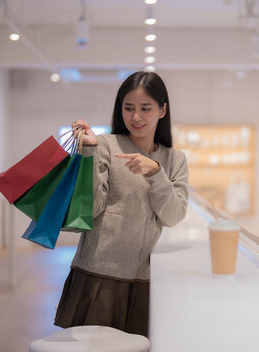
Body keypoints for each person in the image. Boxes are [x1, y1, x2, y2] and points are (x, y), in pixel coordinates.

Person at [54, 71, 189, 338]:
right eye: (128, 108)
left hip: (145, 281)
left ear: (162, 110)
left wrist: (155, 173)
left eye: (145, 108)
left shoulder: (175, 160)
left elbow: (173, 216)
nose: (136, 117)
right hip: (97, 276)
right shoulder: (104, 145)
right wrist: (90, 150)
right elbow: (89, 210)